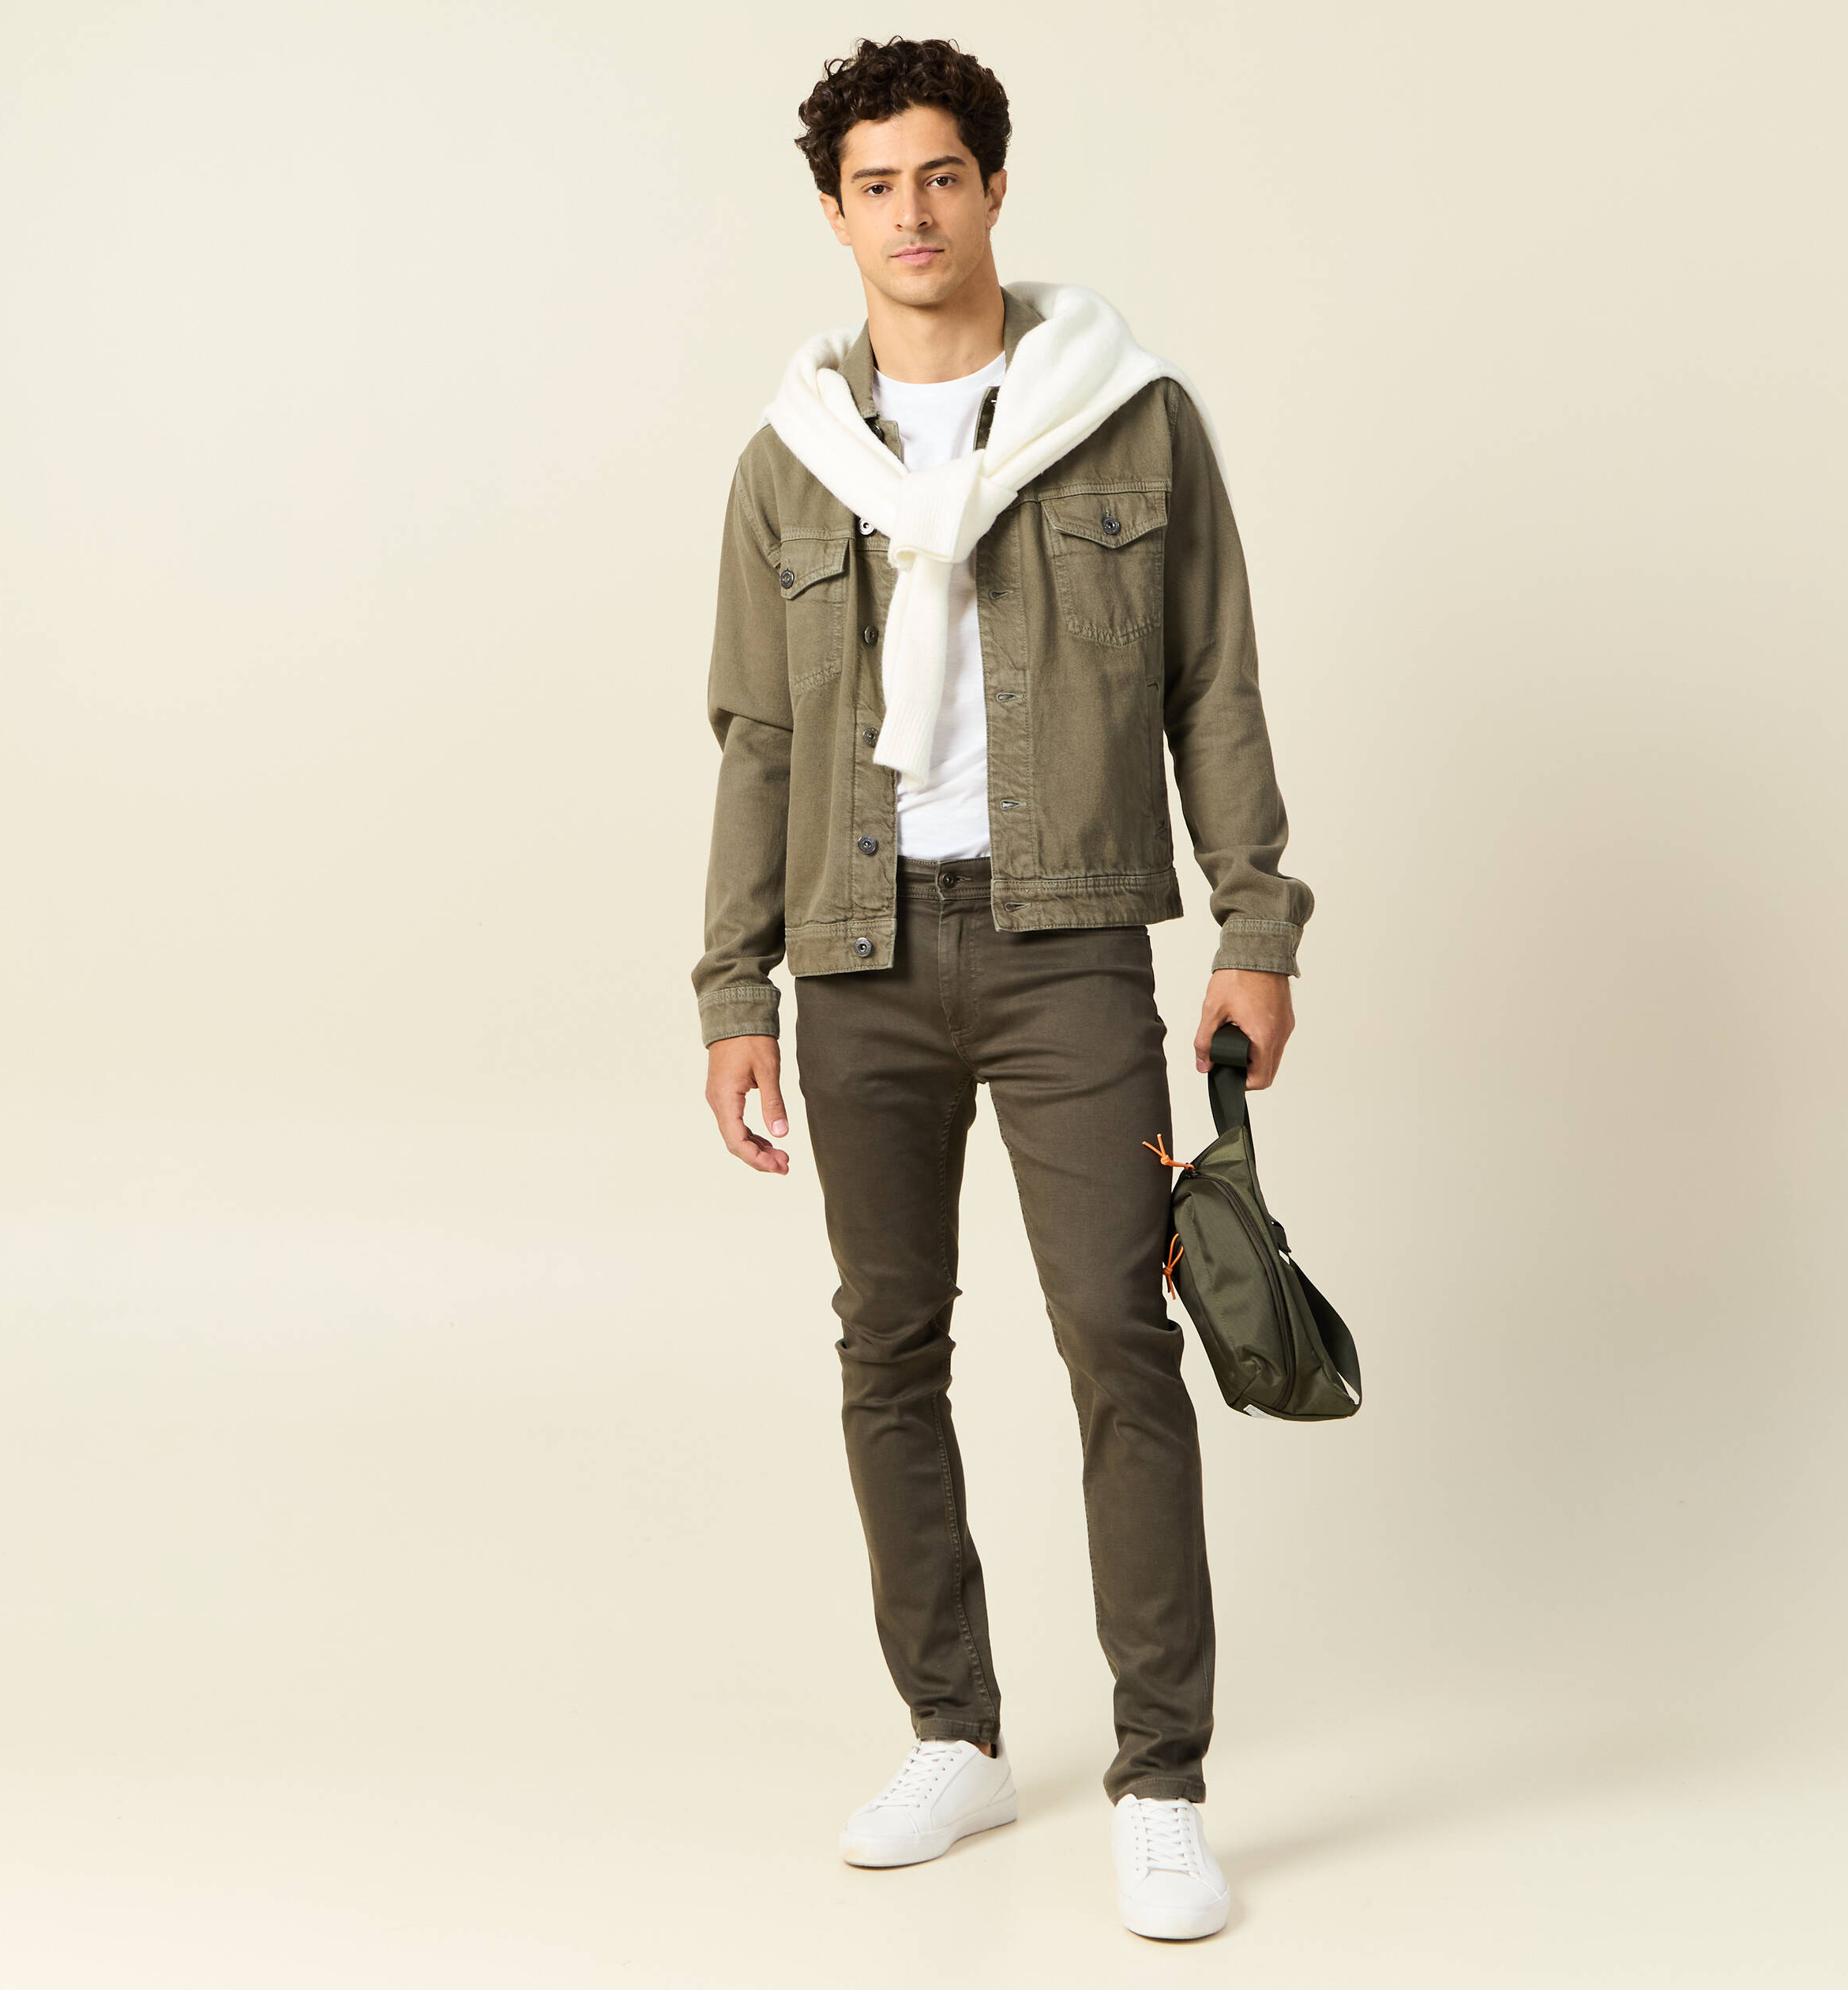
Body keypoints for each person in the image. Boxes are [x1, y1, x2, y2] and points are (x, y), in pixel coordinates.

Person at [690, 34, 1313, 1943]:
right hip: (858, 951)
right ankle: (953, 1735)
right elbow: (756, 743)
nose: (912, 213)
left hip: (1068, 941)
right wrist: (733, 994)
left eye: (940, 176)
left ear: (994, 189)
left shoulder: (1131, 417)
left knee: (1120, 1343)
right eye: (875, 185)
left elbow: (1213, 684)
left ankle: (1161, 1781)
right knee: (888, 1349)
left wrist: (1257, 928)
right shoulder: (790, 463)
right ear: (835, 213)